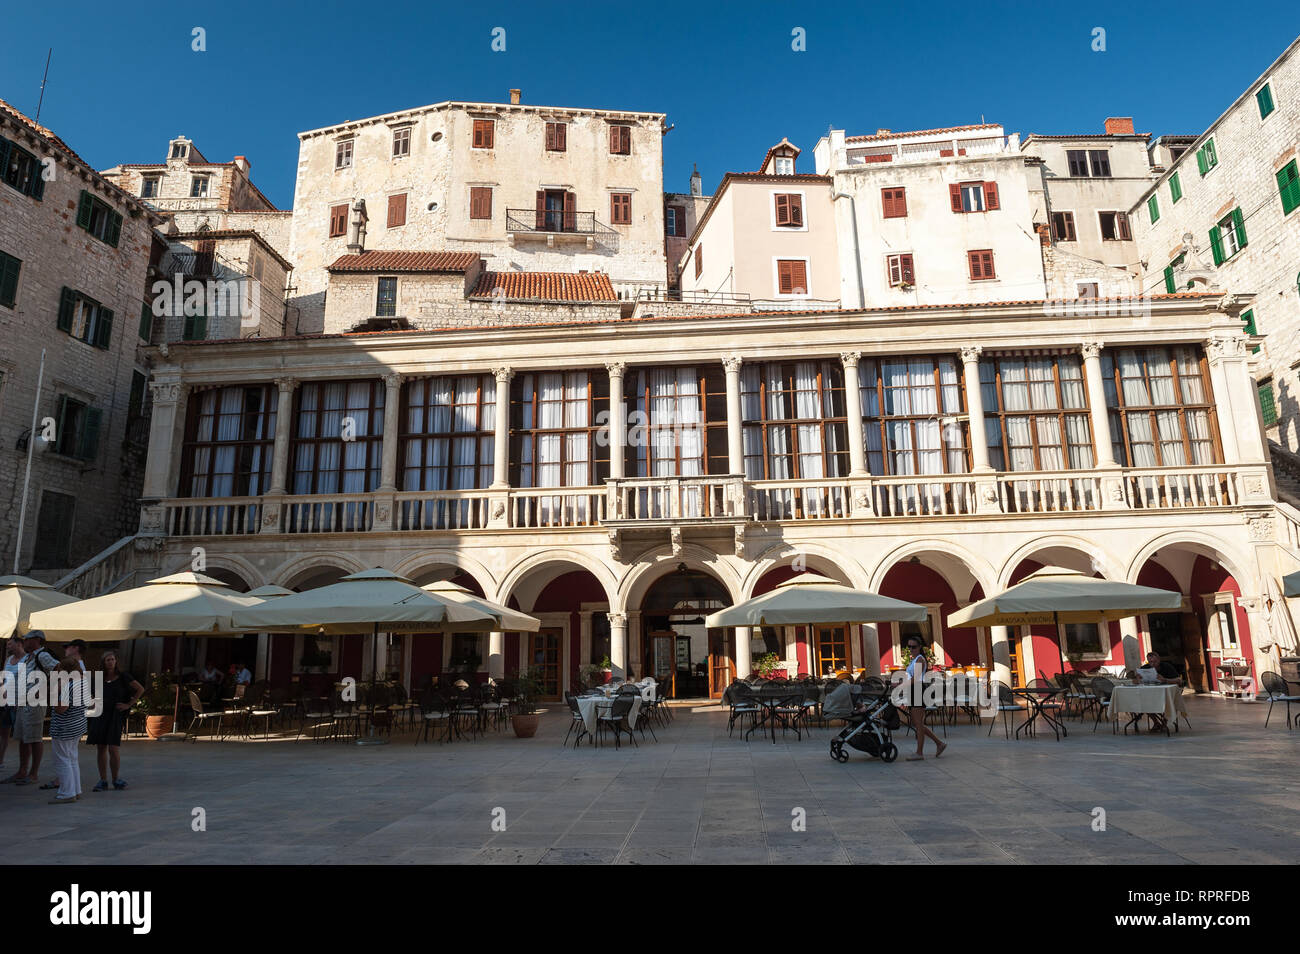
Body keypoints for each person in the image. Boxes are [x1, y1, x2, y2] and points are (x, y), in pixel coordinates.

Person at [2, 630, 58, 787]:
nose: (24, 642)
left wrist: (46, 687)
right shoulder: (28, 657)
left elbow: (59, 671)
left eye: (27, 640)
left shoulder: (43, 656)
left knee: (34, 738)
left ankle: (33, 774)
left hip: (35, 702)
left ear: (37, 640)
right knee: (22, 738)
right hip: (22, 702)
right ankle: (22, 770)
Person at [86, 651, 143, 792]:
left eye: (112, 659)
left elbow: (140, 689)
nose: (110, 662)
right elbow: (91, 695)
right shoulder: (98, 678)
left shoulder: (124, 676)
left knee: (113, 747)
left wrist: (129, 704)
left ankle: (116, 779)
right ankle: (103, 780)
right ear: (103, 663)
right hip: (100, 714)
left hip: (115, 715)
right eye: (107, 660)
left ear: (116, 661)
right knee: (101, 747)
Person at [900, 635, 946, 761]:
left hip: (918, 690)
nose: (911, 649)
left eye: (913, 647)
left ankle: (919, 753)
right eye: (909, 646)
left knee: (918, 724)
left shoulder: (919, 659)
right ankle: (939, 744)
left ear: (919, 647)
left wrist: (901, 686)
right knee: (917, 723)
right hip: (914, 690)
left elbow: (916, 678)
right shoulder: (914, 659)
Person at [48, 658, 86, 804]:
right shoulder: (82, 681)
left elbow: (61, 708)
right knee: (72, 758)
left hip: (64, 727)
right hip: (77, 725)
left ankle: (67, 793)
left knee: (62, 760)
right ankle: (75, 790)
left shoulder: (69, 685)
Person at [0, 636, 24, 769]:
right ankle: (1, 761)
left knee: (21, 735)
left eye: (10, 644)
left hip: (18, 703)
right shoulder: (8, 659)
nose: (8, 646)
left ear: (19, 644)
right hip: (6, 702)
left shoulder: (26, 659)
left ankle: (23, 767)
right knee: (3, 732)